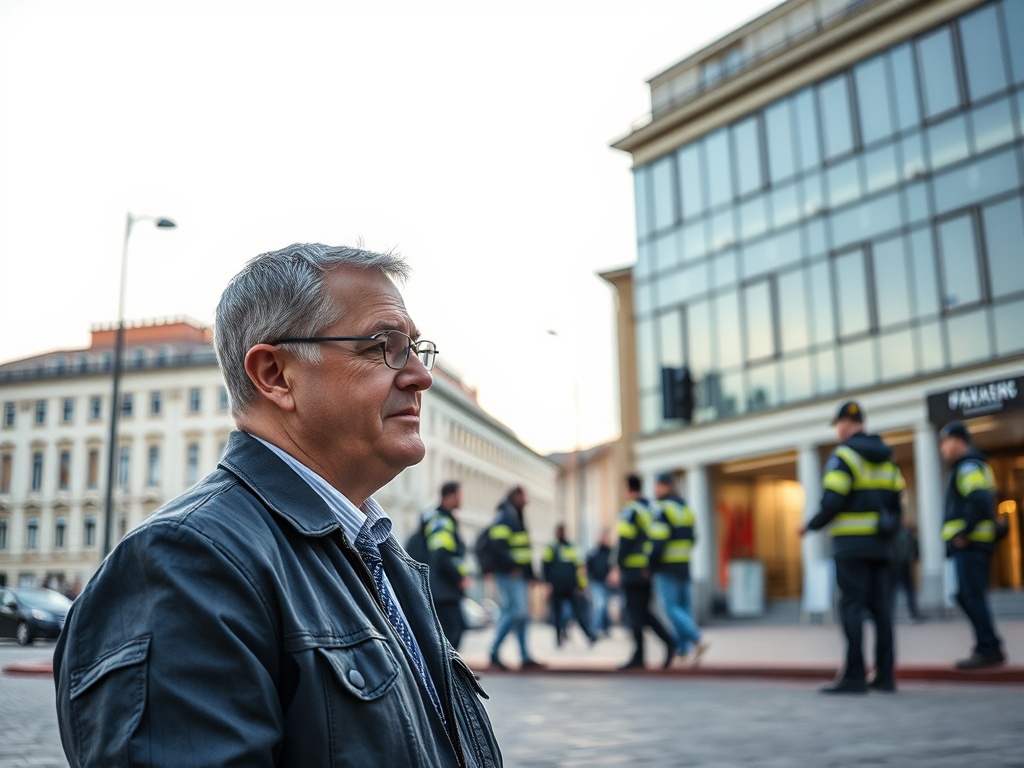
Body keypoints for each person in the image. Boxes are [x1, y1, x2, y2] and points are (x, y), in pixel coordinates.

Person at [53, 244, 501, 766]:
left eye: (415, 348)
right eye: (383, 345)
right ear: (275, 375)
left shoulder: (376, 554)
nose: (420, 376)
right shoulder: (185, 564)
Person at [800, 401, 904, 694]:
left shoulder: (843, 456)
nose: (837, 431)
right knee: (882, 611)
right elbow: (898, 503)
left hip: (851, 547)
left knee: (852, 608)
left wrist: (811, 525)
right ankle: (885, 676)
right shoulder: (887, 459)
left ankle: (854, 676)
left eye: (837, 425)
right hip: (882, 547)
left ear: (846, 423)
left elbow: (832, 500)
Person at [939, 420, 1007, 669]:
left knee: (972, 596)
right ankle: (987, 645)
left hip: (971, 545)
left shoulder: (968, 467)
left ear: (958, 441)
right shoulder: (970, 466)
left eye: (944, 443)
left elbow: (980, 500)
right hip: (971, 545)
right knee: (967, 595)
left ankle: (988, 647)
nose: (942, 449)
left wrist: (964, 532)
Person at [614, 473, 676, 670]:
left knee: (635, 614)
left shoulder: (631, 510)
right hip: (647, 570)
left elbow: (625, 540)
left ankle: (640, 655)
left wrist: (617, 566)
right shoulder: (651, 509)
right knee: (643, 613)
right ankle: (666, 643)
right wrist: (651, 566)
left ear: (628, 488)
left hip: (632, 570)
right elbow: (657, 539)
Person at [651, 472, 708, 665]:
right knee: (683, 607)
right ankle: (682, 650)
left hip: (666, 567)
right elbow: (693, 538)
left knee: (671, 609)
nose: (655, 490)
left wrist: (651, 564)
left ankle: (696, 638)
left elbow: (658, 540)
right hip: (684, 565)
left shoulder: (663, 509)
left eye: (657, 486)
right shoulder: (685, 509)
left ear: (664, 486)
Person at [487, 485, 542, 670]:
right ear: (516, 496)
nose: (527, 500)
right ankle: (494, 652)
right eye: (525, 496)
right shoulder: (506, 517)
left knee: (522, 615)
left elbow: (524, 551)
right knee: (515, 612)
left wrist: (531, 574)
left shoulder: (516, 515)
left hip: (518, 574)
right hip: (509, 574)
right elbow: (497, 546)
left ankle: (525, 656)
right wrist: (511, 567)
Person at [426, 481, 471, 650]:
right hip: (443, 586)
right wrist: (458, 577)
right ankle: (447, 674)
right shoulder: (442, 521)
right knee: (453, 629)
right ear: (450, 496)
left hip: (444, 586)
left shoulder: (443, 519)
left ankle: (448, 673)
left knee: (451, 630)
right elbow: (442, 553)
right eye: (459, 496)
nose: (461, 500)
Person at [542, 524, 596, 647]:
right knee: (557, 614)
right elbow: (545, 567)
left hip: (571, 587)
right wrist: (547, 584)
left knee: (578, 611)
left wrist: (582, 585)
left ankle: (589, 635)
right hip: (556, 586)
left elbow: (579, 568)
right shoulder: (551, 548)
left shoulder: (571, 547)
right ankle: (558, 638)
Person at [890, 523, 923, 622]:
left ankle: (890, 612)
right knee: (909, 589)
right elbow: (915, 547)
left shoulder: (892, 534)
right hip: (906, 563)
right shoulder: (908, 533)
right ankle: (913, 611)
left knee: (892, 590)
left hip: (894, 564)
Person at [586, 527, 614, 637]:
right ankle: (595, 629)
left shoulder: (611, 552)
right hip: (596, 583)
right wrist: (589, 579)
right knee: (599, 605)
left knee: (605, 606)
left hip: (607, 583)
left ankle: (605, 628)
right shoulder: (593, 552)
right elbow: (587, 567)